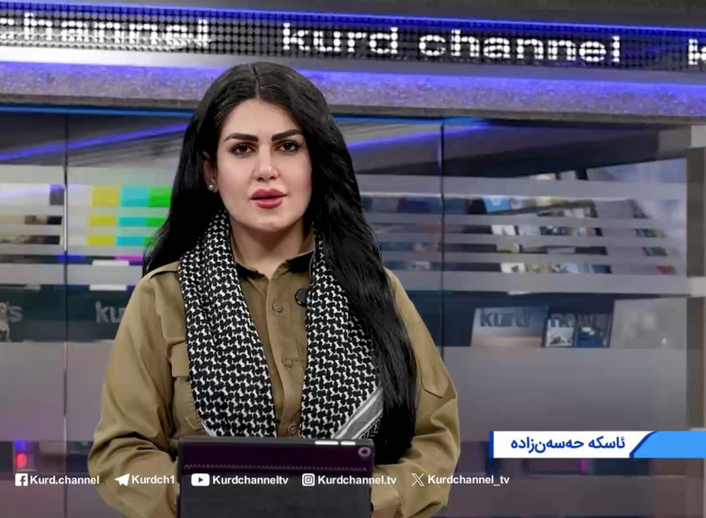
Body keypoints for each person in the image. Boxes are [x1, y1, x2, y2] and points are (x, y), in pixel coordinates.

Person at [88, 61, 460, 518]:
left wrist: (359, 499)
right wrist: (214, 499)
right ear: (211, 170)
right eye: (242, 149)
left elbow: (434, 441)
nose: (266, 170)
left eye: (288, 146)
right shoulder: (163, 296)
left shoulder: (376, 289)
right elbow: (121, 455)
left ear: (315, 162)